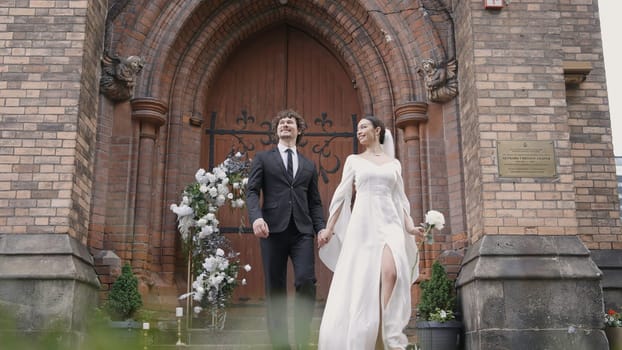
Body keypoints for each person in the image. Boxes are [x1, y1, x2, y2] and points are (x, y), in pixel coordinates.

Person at [316, 115, 422, 350]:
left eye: (363, 127)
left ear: (378, 130)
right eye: (357, 129)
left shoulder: (394, 164)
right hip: (363, 225)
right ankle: (369, 335)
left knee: (391, 273)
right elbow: (342, 197)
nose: (359, 132)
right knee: (364, 280)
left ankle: (384, 332)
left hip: (390, 223)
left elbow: (400, 199)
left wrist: (410, 226)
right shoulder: (353, 160)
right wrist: (329, 229)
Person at [246, 109, 327, 350]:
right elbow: (251, 191)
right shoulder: (263, 158)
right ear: (277, 130)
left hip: (302, 230)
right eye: (281, 122)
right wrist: (256, 218)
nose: (285, 125)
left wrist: (320, 228)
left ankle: (302, 341)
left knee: (305, 281)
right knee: (276, 288)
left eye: (290, 122)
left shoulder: (308, 165)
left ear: (298, 130)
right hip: (272, 230)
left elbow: (314, 201)